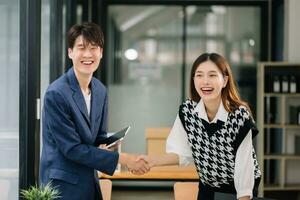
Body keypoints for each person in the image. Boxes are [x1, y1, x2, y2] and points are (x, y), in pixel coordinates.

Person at [39, 22, 149, 200]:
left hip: (89, 181)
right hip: (62, 188)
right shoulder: (56, 94)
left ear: (101, 53)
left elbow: (98, 137)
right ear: (70, 52)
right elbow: (72, 149)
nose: (88, 54)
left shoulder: (100, 90)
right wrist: (125, 159)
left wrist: (110, 145)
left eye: (93, 48)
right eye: (81, 48)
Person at [138, 53, 261, 200]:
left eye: (212, 75)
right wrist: (152, 161)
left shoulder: (240, 116)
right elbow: (183, 153)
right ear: (193, 80)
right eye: (199, 75)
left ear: (225, 81)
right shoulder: (187, 111)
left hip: (238, 189)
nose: (205, 81)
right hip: (207, 187)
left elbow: (244, 169)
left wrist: (243, 197)